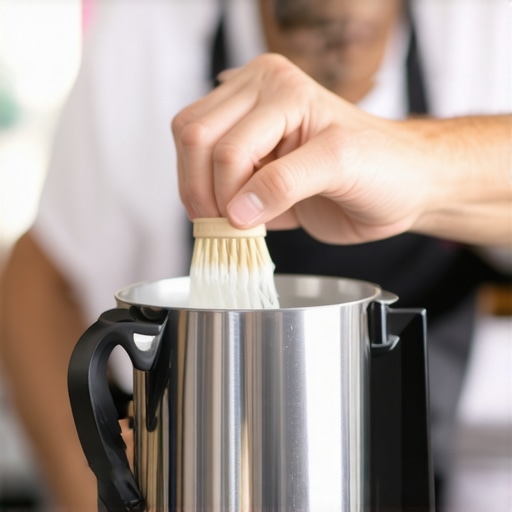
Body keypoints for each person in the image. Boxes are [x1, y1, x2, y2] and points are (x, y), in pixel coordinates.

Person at [0, 0, 510, 510]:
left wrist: (417, 159)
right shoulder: (146, 29)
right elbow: (40, 278)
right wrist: (102, 491)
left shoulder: (482, 24)